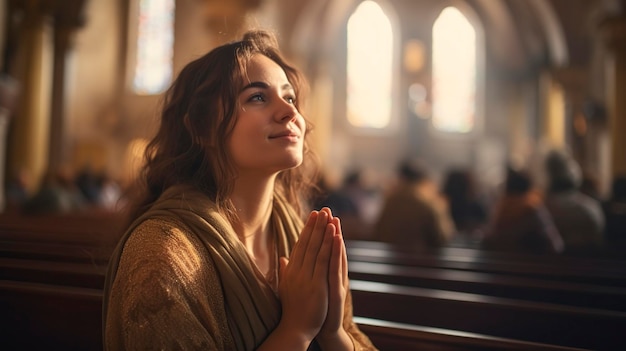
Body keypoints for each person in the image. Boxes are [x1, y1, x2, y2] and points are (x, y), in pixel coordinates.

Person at [102, 30, 376, 351]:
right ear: (202, 127)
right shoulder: (162, 257)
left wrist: (332, 333)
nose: (290, 112)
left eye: (289, 97)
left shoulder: (298, 232)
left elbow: (352, 336)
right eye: (257, 97)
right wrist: (297, 330)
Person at [372, 159, 455, 248]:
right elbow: (443, 237)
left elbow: (378, 232)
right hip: (422, 259)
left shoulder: (390, 201)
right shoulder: (428, 203)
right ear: (423, 180)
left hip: (391, 258)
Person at [482, 167, 563, 254]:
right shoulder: (533, 209)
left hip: (500, 264)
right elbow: (555, 245)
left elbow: (489, 240)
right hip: (534, 265)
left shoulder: (502, 209)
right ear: (528, 188)